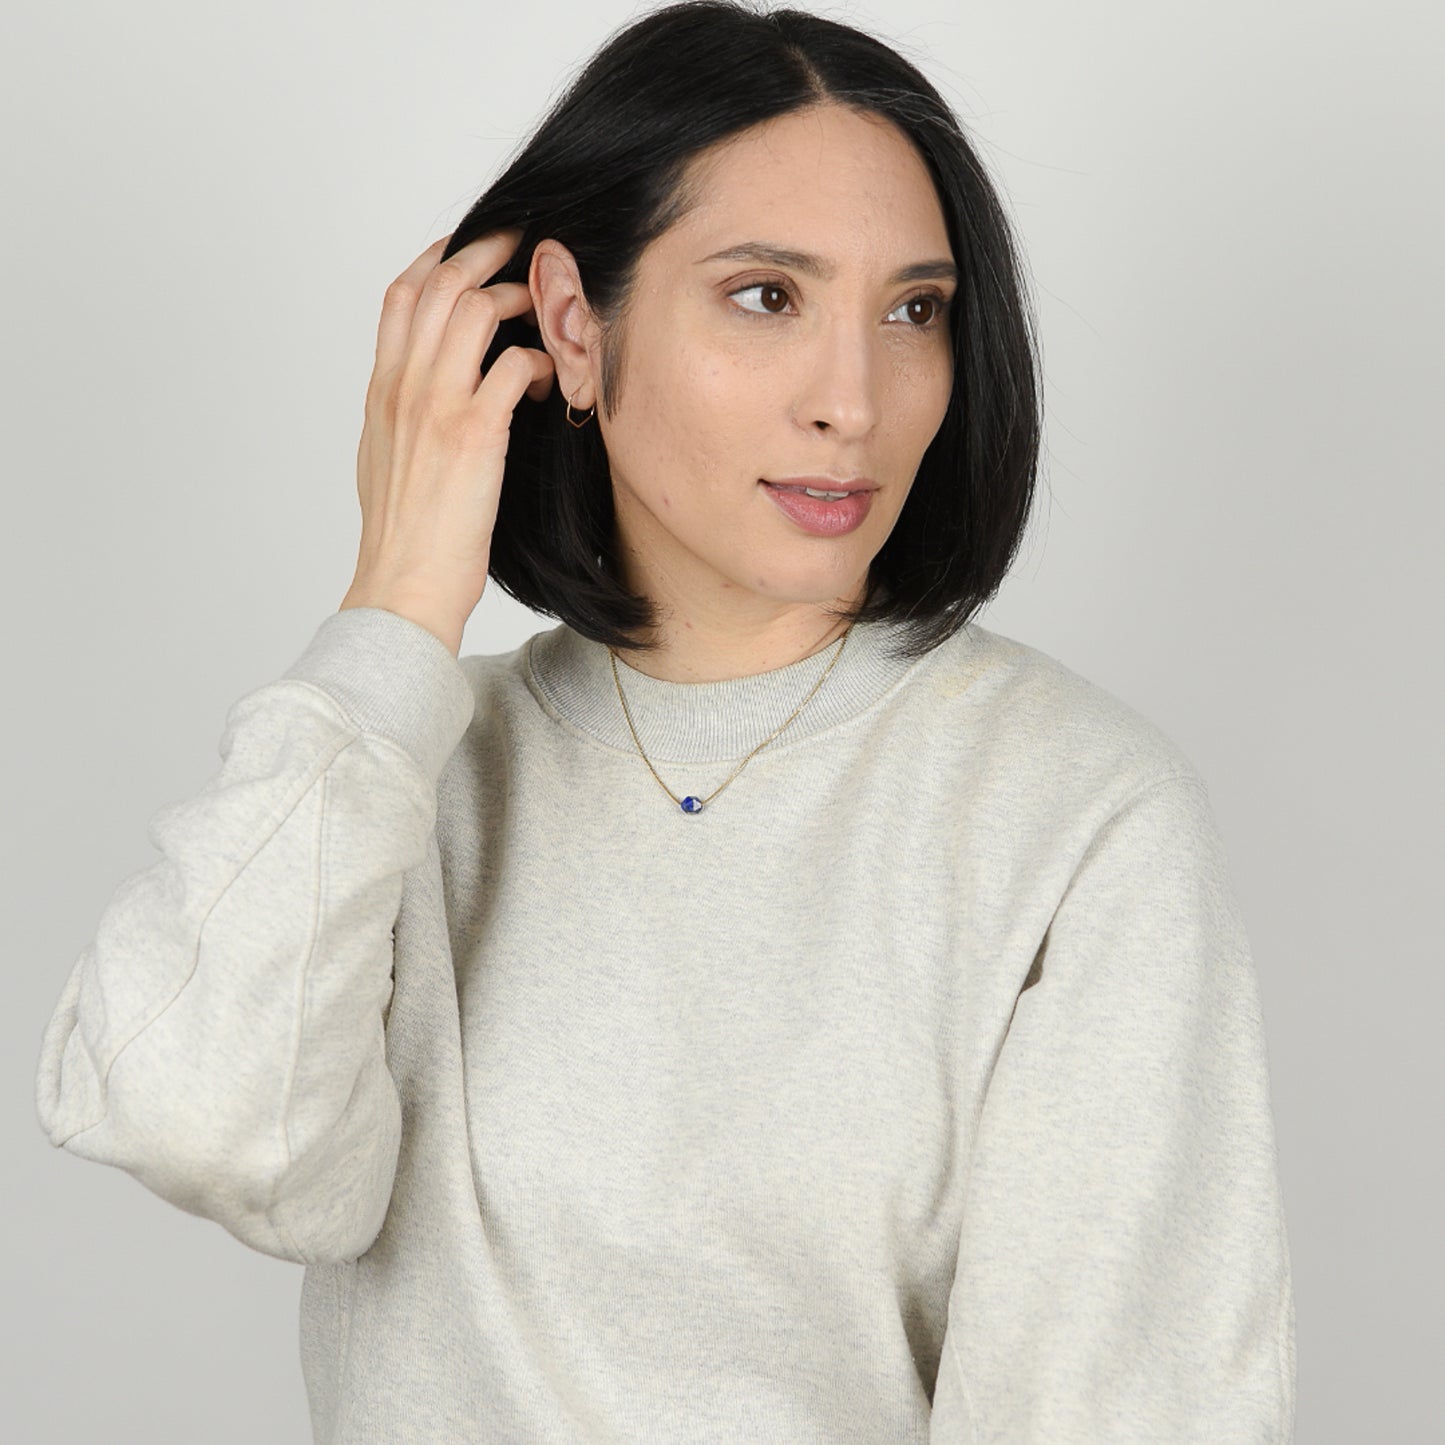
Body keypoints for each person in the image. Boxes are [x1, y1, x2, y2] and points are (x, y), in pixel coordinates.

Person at [32, 2, 1296, 1440]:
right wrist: (393, 609)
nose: (853, 397)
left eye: (912, 310)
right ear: (572, 323)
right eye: (767, 295)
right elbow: (203, 1121)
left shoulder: (1071, 813)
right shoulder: (400, 774)